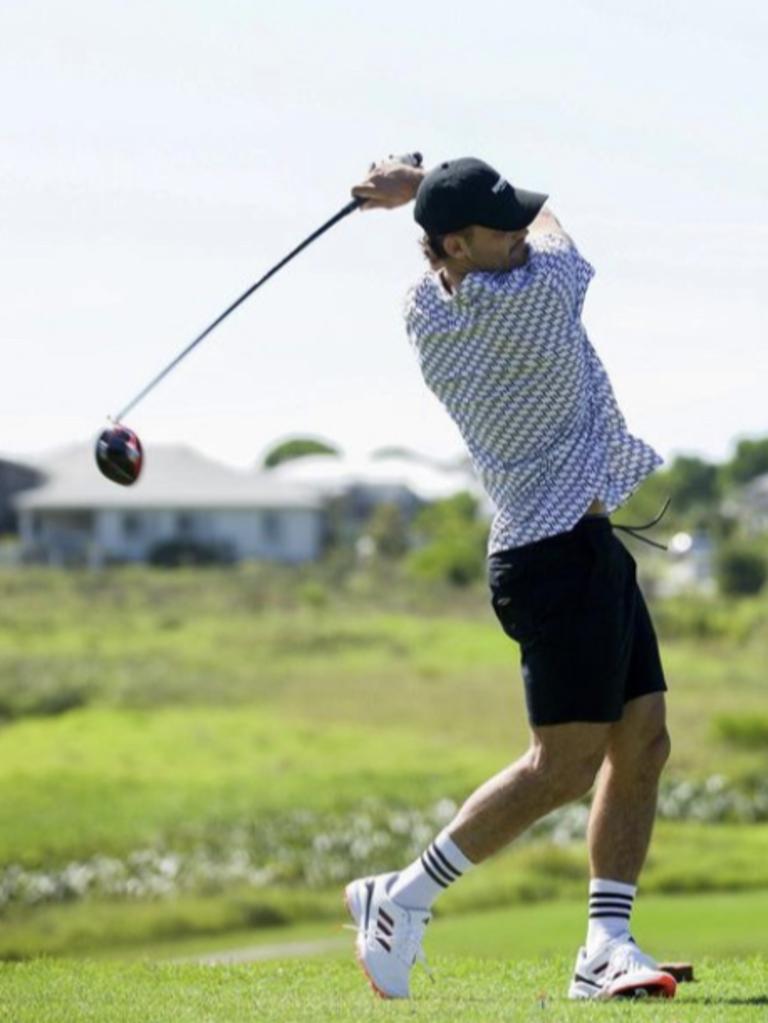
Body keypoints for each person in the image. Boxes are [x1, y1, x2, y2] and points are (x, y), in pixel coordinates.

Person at [343, 156, 676, 1002]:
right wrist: (416, 182)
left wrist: (418, 200)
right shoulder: (535, 296)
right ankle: (403, 895)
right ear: (457, 244)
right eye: (504, 226)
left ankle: (606, 942)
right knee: (560, 766)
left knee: (643, 738)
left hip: (579, 545)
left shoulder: (427, 307)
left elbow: (483, 239)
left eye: (517, 219)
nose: (523, 230)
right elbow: (564, 235)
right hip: (553, 555)